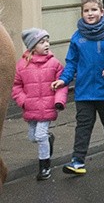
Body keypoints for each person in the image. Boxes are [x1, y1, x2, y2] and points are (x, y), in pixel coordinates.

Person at [52, 0, 104, 175]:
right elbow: (71, 62)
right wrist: (64, 79)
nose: (90, 13)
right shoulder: (78, 37)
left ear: (102, 12)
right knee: (83, 125)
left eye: (94, 10)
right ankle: (77, 161)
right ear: (82, 13)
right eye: (86, 10)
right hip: (84, 90)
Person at [12, 28, 68, 180]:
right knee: (33, 137)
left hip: (47, 107)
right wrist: (23, 101)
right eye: (42, 42)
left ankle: (44, 167)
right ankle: (49, 139)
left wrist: (58, 101)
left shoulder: (54, 63)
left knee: (40, 135)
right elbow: (16, 86)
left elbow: (61, 85)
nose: (47, 44)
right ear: (32, 46)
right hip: (30, 108)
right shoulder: (22, 65)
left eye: (47, 41)